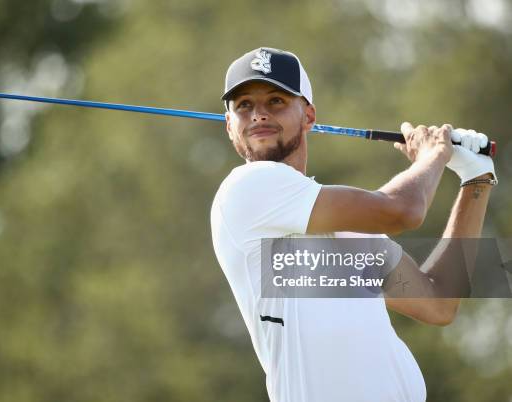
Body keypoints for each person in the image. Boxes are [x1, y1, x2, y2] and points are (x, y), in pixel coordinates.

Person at [210, 47, 497, 402]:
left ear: (309, 114)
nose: (258, 115)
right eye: (244, 106)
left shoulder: (351, 229)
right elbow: (403, 210)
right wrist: (433, 155)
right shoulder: (248, 187)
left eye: (276, 101)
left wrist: (476, 178)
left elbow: (438, 302)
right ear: (229, 126)